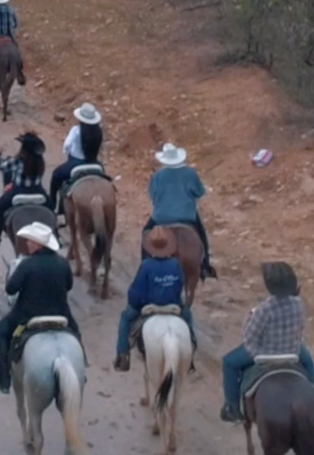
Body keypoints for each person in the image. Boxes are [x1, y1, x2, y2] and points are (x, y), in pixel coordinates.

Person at [218, 262, 314, 423]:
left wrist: (249, 320)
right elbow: (299, 329)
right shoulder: (299, 304)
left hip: (265, 355)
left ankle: (232, 409)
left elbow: (249, 338)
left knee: (229, 363)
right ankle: (313, 393)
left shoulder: (263, 310)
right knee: (309, 362)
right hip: (292, 351)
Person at [0, 222, 77, 393]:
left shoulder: (26, 265)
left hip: (27, 315)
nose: (28, 244)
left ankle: (4, 379)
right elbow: (69, 286)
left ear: (38, 244)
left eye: (30, 241)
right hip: (61, 313)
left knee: (0, 332)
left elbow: (11, 289)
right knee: (76, 333)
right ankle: (81, 371)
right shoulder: (63, 263)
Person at [113, 228, 195, 371]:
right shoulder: (175, 264)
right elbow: (179, 285)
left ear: (151, 247)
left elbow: (136, 291)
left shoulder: (146, 265)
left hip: (150, 306)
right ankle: (191, 352)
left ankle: (123, 355)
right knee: (188, 315)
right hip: (172, 305)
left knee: (125, 319)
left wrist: (135, 303)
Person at [146, 143, 217, 279]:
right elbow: (199, 193)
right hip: (186, 216)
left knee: (145, 233)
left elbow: (152, 196)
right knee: (202, 235)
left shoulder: (157, 176)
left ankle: (145, 265)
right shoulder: (190, 173)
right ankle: (205, 264)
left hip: (162, 217)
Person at [0, 132, 50, 250]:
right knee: (51, 209)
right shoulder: (40, 162)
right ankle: (55, 235)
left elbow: (3, 167)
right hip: (38, 191)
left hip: (19, 192)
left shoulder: (18, 160)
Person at [47, 104, 104, 213]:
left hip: (75, 164)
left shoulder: (76, 130)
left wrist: (68, 153)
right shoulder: (98, 132)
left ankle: (53, 206)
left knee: (55, 175)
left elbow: (67, 145)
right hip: (94, 163)